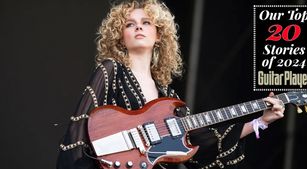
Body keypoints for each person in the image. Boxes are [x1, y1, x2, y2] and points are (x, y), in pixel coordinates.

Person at [56, 0, 285, 169]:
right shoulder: (110, 70)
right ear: (120, 36)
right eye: (129, 24)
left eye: (146, 22)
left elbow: (201, 140)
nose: (138, 27)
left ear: (158, 35)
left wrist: (260, 121)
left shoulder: (168, 96)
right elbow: (80, 127)